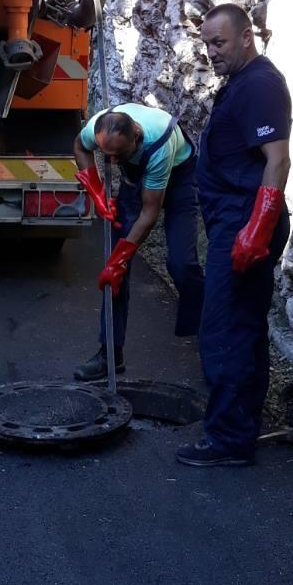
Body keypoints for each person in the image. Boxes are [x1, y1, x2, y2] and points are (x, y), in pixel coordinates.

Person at [177, 3, 292, 469]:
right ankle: (239, 427)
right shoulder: (241, 84)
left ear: (246, 37)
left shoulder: (260, 84)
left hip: (246, 224)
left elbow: (278, 160)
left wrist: (256, 231)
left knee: (226, 329)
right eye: (206, 44)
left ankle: (227, 440)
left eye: (219, 43)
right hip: (236, 221)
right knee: (241, 326)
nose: (211, 52)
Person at [72, 103, 204, 381]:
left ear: (136, 137)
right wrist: (95, 191)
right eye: (108, 155)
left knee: (181, 264)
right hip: (138, 178)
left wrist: (120, 258)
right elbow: (80, 148)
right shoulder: (99, 126)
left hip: (179, 178)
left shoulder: (157, 144)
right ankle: (110, 353)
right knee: (114, 276)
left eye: (119, 155)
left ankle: (209, 339)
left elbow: (149, 213)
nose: (114, 162)